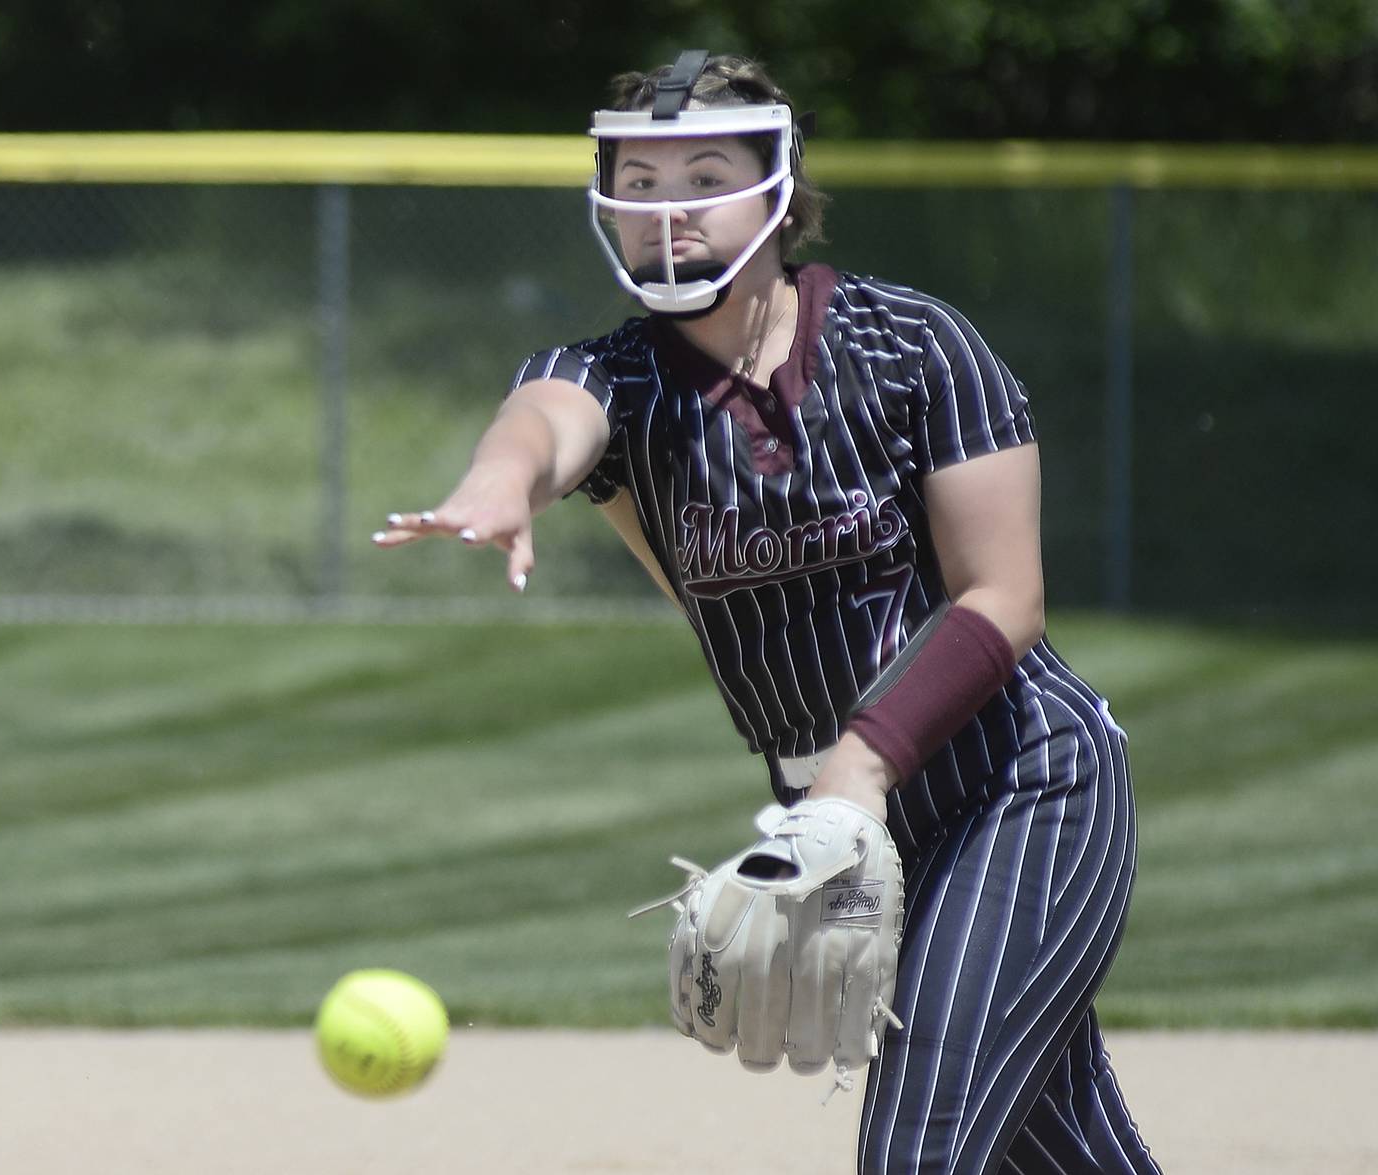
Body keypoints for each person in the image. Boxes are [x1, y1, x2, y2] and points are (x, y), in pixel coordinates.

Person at [375, 49, 1163, 1175]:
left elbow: (1006, 596)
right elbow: (546, 420)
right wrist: (503, 479)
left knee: (922, 1147)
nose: (668, 211)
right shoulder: (620, 379)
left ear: (780, 189)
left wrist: (859, 766)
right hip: (842, 827)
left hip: (1020, 785)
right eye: (638, 185)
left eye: (704, 175)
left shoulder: (914, 346)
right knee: (1066, 1152)